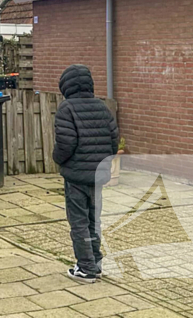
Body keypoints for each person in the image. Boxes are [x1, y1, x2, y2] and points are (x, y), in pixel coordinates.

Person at [52, 64, 119, 284]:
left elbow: (66, 144)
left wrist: (58, 159)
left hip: (76, 176)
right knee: (94, 219)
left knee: (79, 221)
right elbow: (113, 141)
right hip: (97, 176)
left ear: (66, 86)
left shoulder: (67, 109)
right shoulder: (102, 107)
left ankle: (86, 268)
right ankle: (96, 262)